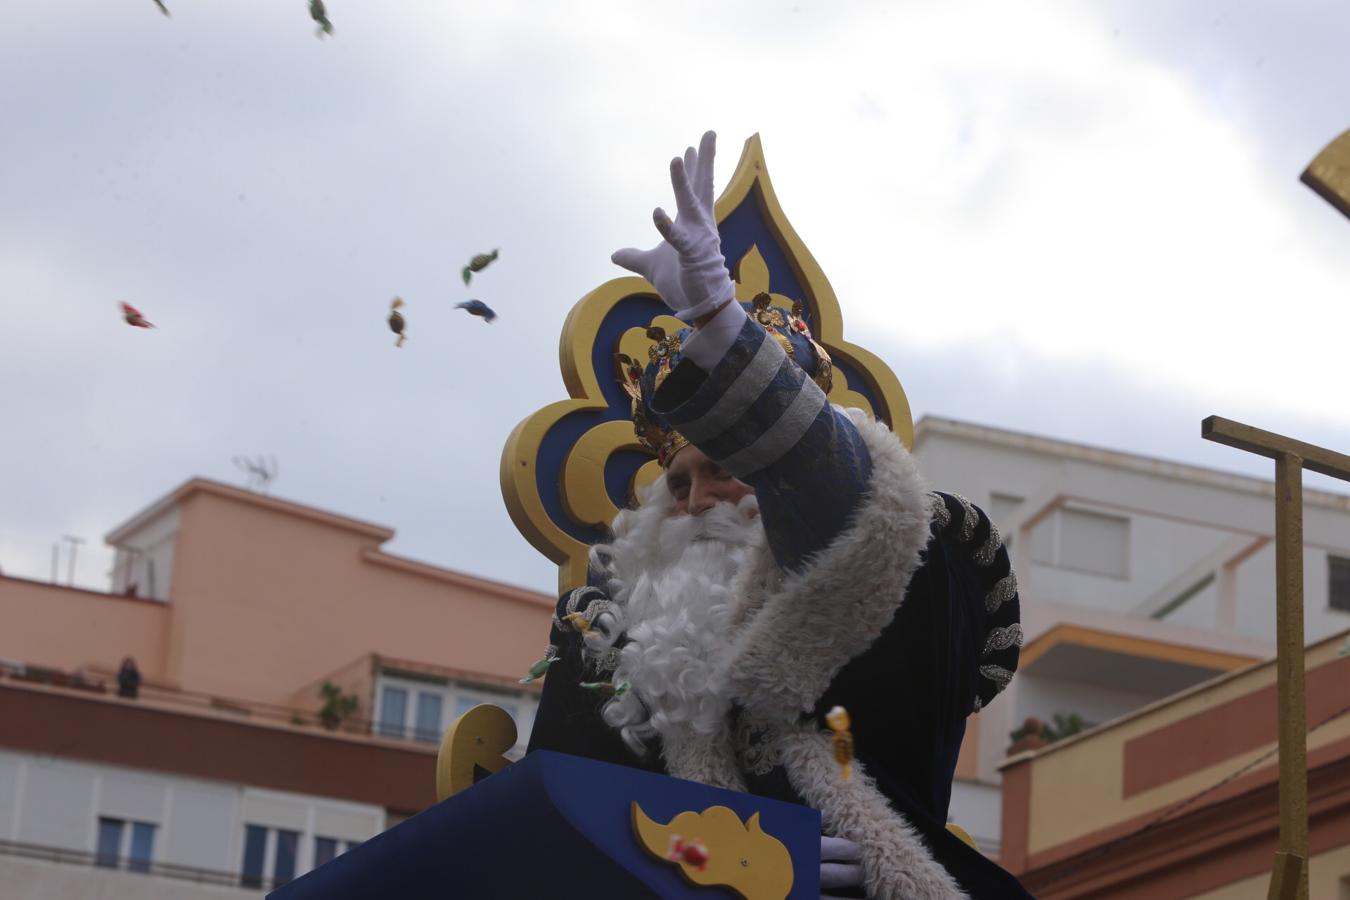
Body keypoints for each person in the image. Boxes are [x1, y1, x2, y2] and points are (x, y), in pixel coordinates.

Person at [526, 132, 1031, 899]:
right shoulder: (599, 635)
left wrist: (718, 320)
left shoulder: (909, 563)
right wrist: (734, 870)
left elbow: (834, 499)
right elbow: (557, 823)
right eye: (679, 484)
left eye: (727, 469)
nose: (696, 504)